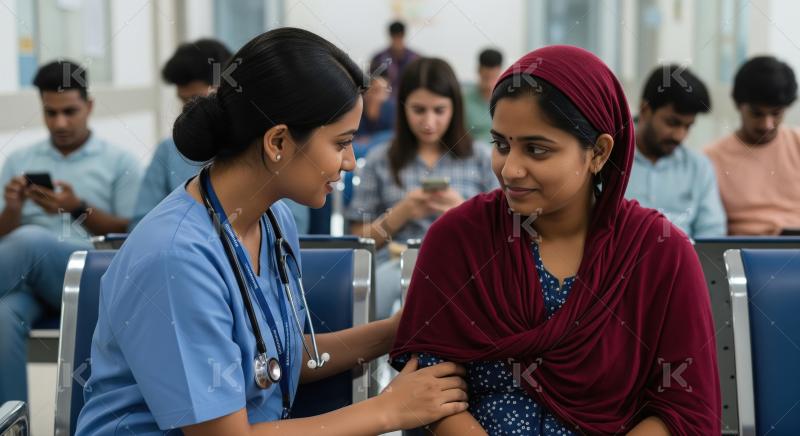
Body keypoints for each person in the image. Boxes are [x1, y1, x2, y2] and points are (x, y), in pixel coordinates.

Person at [75, 28, 467, 435]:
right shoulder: (176, 259)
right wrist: (389, 410)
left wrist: (399, 330)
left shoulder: (273, 219)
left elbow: (279, 362)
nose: (350, 162)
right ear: (278, 141)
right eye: (341, 143)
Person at [391, 46, 721, 435]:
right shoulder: (459, 238)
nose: (510, 169)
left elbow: (683, 408)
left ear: (598, 152)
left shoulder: (659, 252)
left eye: (536, 149)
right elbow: (431, 391)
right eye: (501, 145)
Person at [0, 60, 142, 403]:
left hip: (90, 275)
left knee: (30, 240)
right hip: (26, 278)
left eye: (69, 111)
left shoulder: (120, 162)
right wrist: (15, 208)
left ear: (89, 106)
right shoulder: (19, 159)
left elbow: (130, 232)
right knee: (2, 318)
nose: (60, 123)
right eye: (50, 113)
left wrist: (76, 209)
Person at [346, 57, 497, 320]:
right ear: (403, 108)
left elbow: (502, 236)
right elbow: (359, 241)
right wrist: (400, 214)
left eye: (439, 110)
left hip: (466, 266)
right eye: (418, 110)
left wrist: (462, 212)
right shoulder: (381, 158)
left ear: (455, 109)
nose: (429, 122)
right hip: (396, 265)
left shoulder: (482, 157)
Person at [130, 39, 310, 232]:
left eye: (196, 99)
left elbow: (293, 224)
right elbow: (142, 223)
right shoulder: (168, 150)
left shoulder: (266, 147)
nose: (189, 110)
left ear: (229, 91)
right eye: (183, 100)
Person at [626, 64, 726, 238]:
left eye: (688, 126)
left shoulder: (698, 168)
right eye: (672, 123)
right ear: (645, 110)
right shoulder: (609, 158)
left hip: (683, 261)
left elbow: (712, 235)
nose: (680, 136)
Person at [705, 56, 800, 235]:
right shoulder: (711, 159)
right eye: (757, 114)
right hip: (743, 253)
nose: (767, 124)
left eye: (777, 114)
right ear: (738, 105)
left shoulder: (797, 144)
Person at [463, 48, 503, 144]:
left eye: (493, 77)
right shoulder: (464, 101)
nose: (489, 85)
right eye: (486, 78)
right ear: (479, 71)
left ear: (500, 73)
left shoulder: (507, 101)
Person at [370, 20, 419, 93]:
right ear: (390, 36)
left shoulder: (415, 59)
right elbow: (373, 85)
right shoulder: (378, 58)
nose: (397, 40)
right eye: (395, 37)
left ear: (403, 35)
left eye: (399, 36)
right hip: (385, 101)